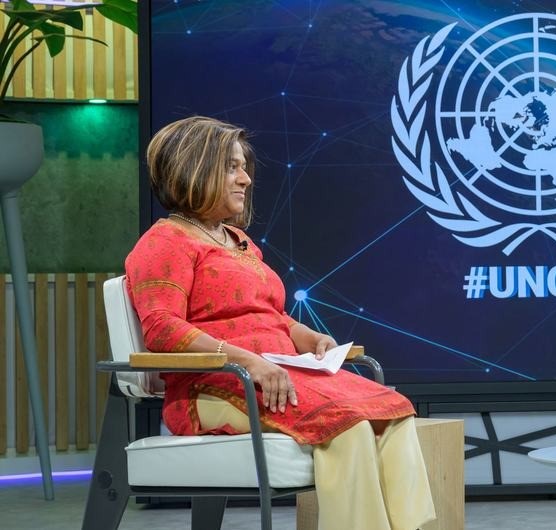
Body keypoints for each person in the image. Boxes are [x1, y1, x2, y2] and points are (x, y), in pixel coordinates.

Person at [126, 116, 435, 529]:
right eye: (232, 167)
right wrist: (249, 362)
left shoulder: (239, 242)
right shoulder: (165, 242)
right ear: (194, 169)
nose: (245, 179)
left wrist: (306, 337)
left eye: (244, 167)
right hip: (214, 386)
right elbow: (161, 328)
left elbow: (269, 313)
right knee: (348, 425)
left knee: (392, 411)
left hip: (280, 374)